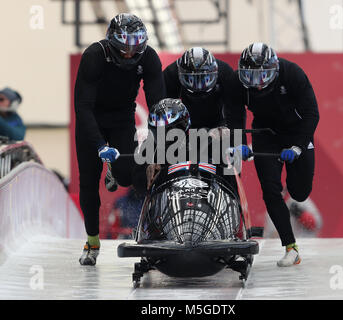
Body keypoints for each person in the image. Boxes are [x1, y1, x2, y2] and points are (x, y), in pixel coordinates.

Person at [74, 13, 166, 266]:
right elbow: (82, 106)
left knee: (127, 175)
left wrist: (157, 144)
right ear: (112, 43)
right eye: (124, 49)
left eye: (134, 48)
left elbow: (158, 104)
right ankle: (92, 241)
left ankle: (115, 171)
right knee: (89, 182)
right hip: (91, 118)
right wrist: (99, 145)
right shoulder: (94, 56)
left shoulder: (148, 57)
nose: (129, 54)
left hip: (121, 119)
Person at [227, 42, 320, 267]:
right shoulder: (237, 82)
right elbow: (234, 116)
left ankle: (296, 187)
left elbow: (311, 114)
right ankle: (291, 247)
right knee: (270, 190)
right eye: (251, 76)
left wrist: (298, 146)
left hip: (296, 132)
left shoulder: (293, 74)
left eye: (263, 76)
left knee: (299, 192)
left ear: (275, 70)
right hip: (266, 134)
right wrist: (239, 143)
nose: (257, 84)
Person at [163, 47, 237, 137]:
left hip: (216, 120)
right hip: (185, 121)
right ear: (180, 74)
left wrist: (225, 126)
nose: (198, 86)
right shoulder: (171, 73)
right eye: (192, 79)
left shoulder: (225, 72)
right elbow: (163, 107)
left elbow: (234, 108)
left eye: (203, 79)